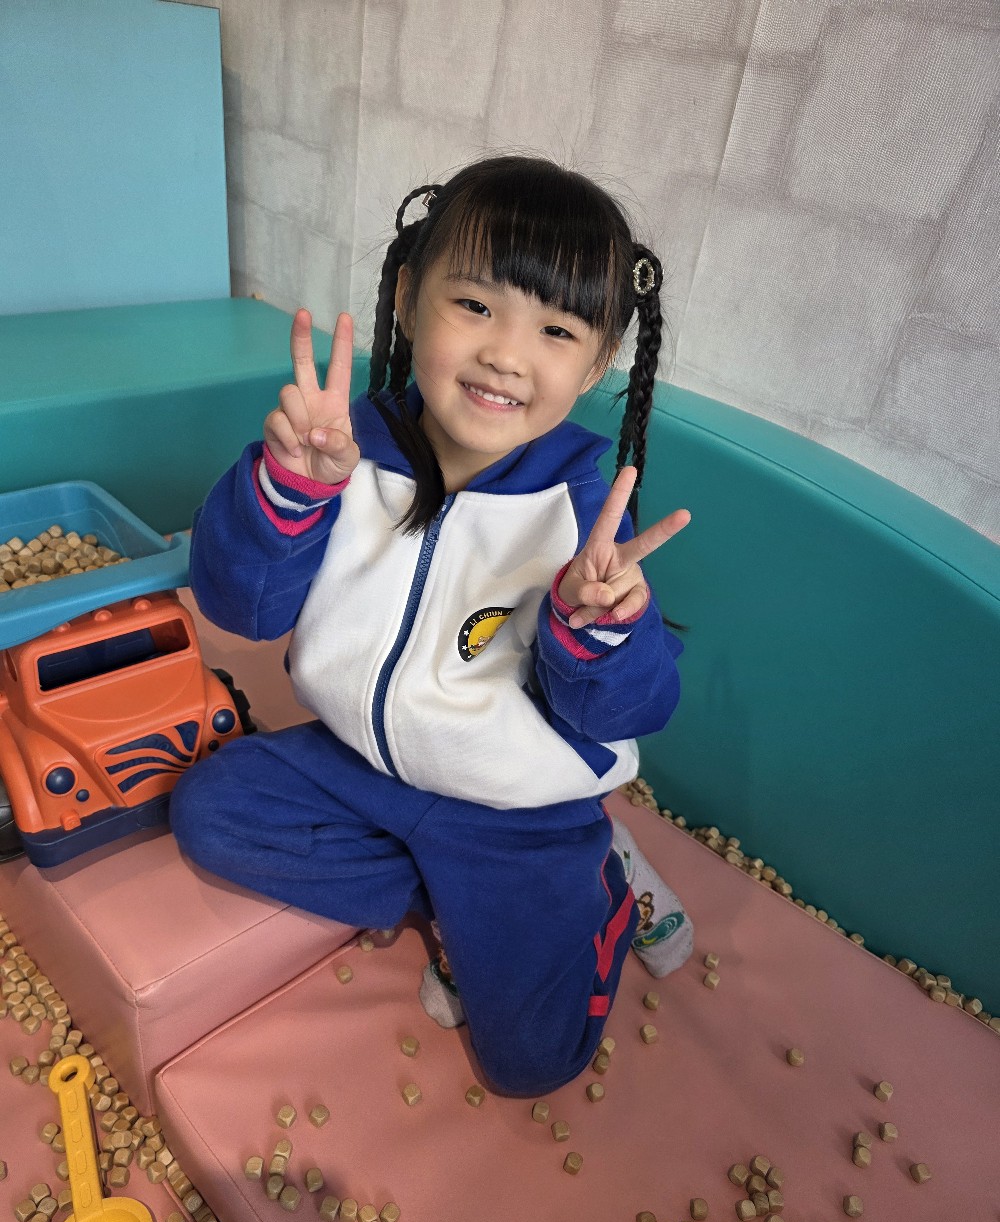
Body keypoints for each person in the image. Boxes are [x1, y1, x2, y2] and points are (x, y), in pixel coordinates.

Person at [170, 154, 694, 1098]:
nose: (507, 355)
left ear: (598, 361)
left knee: (533, 1061)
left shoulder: (584, 515)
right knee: (211, 813)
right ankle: (451, 892)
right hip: (358, 761)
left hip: (514, 812)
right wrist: (288, 494)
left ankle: (601, 888)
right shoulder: (344, 449)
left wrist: (601, 629)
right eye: (477, 306)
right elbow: (239, 606)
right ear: (410, 299)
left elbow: (634, 709)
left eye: (556, 329)